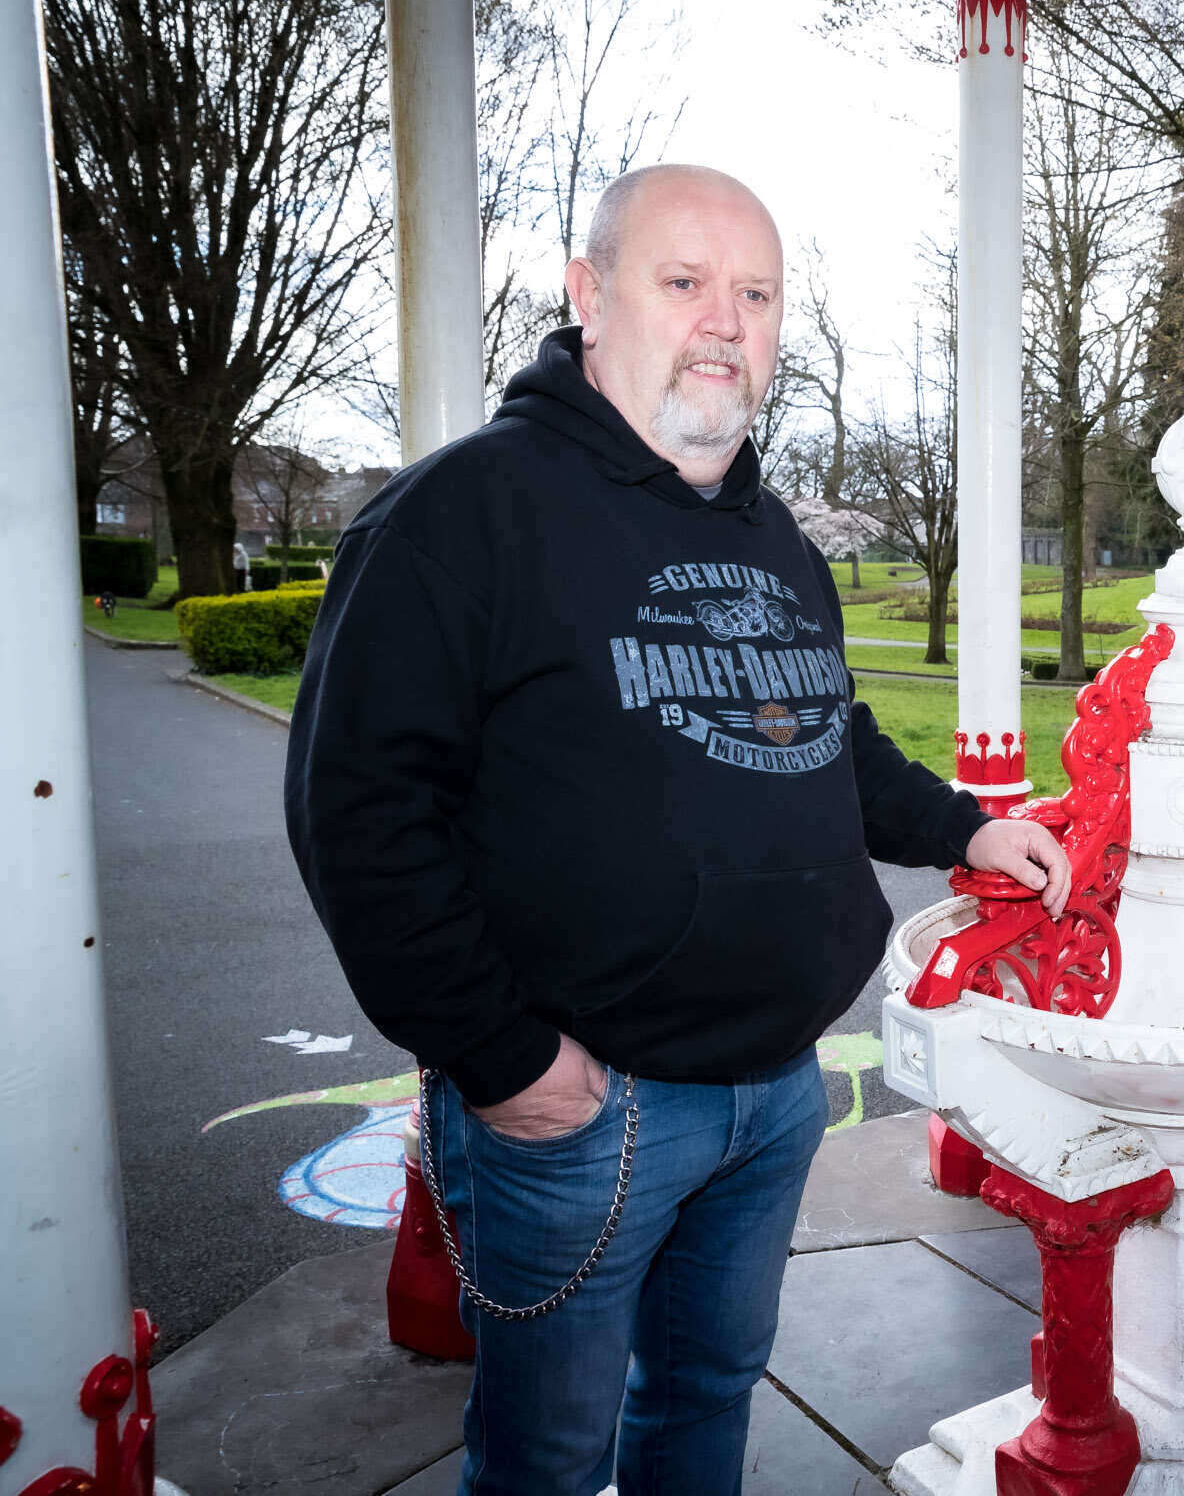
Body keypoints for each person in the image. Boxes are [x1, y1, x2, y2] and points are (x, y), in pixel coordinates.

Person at [285, 164, 1070, 1496]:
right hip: (579, 1108)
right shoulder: (458, 513)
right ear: (590, 297)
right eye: (684, 280)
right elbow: (357, 809)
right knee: (544, 1453)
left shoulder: (777, 539)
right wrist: (497, 1053)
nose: (724, 321)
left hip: (775, 1092)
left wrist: (967, 828)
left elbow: (825, 730)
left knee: (704, 1401)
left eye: (756, 293)